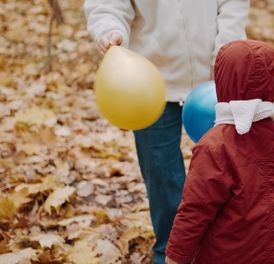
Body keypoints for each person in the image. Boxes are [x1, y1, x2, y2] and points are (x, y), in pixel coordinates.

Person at [83, 1, 249, 263]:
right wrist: (109, 29)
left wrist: (227, 52)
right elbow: (107, 5)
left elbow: (232, 5)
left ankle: (220, 248)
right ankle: (171, 252)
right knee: (163, 177)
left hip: (216, 81)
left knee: (223, 174)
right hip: (148, 83)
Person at [166, 40, 274, 264]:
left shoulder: (215, 145)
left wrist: (175, 257)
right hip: (266, 253)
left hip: (221, 255)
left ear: (223, 79)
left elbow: (195, 211)